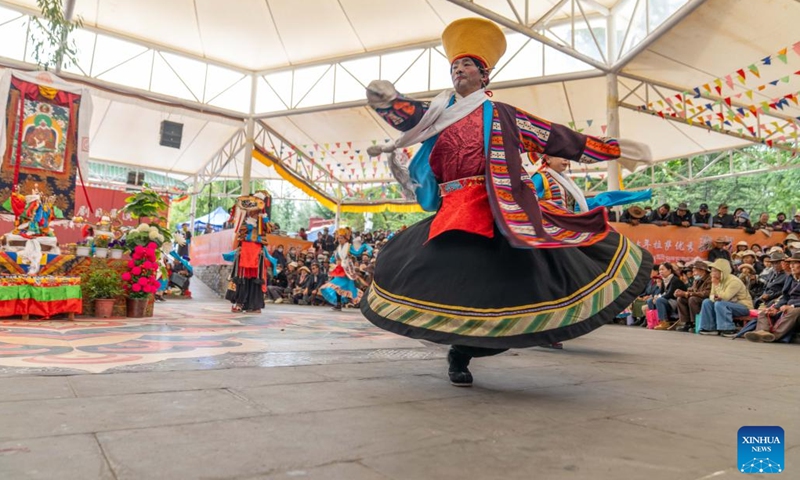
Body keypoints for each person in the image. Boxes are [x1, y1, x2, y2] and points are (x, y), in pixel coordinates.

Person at [360, 17, 653, 387]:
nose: (458, 70)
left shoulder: (503, 115)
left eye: (466, 64)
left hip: (499, 211)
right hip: (451, 212)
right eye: (454, 66)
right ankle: (459, 346)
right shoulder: (435, 116)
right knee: (436, 277)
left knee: (507, 288)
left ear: (484, 76)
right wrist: (387, 103)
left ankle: (464, 352)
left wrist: (609, 150)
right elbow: (409, 116)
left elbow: (555, 137)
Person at [531, 155, 651, 214]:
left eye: (568, 158)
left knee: (605, 198)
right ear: (548, 158)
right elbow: (527, 199)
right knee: (603, 199)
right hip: (552, 223)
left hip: (570, 217)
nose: (566, 160)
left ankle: (642, 195)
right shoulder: (540, 177)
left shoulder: (566, 181)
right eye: (562, 156)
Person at [224, 193, 275, 314]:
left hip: (257, 252)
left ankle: (254, 305)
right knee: (241, 276)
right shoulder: (245, 218)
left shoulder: (263, 219)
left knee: (255, 278)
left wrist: (264, 218)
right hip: (245, 251)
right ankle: (239, 303)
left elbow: (268, 230)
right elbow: (240, 234)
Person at [745, 252, 800, 343]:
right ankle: (763, 332)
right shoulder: (791, 278)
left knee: (793, 311)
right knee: (765, 312)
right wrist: (776, 307)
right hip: (788, 306)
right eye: (791, 263)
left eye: (795, 263)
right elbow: (785, 296)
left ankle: (774, 335)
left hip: (796, 308)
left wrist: (792, 306)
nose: (791, 266)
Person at [698, 258, 753, 337]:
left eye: (715, 271)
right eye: (712, 271)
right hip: (727, 304)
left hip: (743, 307)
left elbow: (725, 298)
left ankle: (728, 328)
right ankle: (709, 328)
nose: (712, 273)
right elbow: (711, 295)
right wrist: (714, 298)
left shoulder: (734, 281)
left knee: (720, 304)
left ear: (723, 271)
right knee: (707, 302)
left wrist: (716, 286)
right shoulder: (716, 280)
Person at [320, 227, 364, 311]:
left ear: (345, 238)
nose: (340, 239)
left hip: (347, 269)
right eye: (339, 238)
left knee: (346, 287)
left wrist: (363, 246)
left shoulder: (349, 246)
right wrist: (332, 260)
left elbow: (357, 253)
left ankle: (356, 301)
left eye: (341, 238)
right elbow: (334, 257)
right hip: (339, 269)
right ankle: (339, 304)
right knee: (338, 287)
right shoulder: (338, 248)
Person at [674, 261, 712, 332]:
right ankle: (687, 323)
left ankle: (695, 323)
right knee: (680, 299)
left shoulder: (709, 279)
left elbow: (706, 293)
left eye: (695, 271)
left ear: (702, 270)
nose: (693, 273)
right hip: (697, 297)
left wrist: (688, 294)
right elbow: (692, 289)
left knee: (692, 299)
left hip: (706, 300)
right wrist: (681, 292)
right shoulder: (697, 279)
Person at [653, 263, 687, 330]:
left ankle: (664, 322)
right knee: (650, 301)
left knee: (659, 300)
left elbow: (670, 294)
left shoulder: (675, 280)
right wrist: (656, 296)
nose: (661, 271)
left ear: (669, 270)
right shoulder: (664, 279)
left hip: (676, 300)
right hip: (668, 300)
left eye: (663, 269)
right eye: (660, 270)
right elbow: (661, 292)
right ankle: (654, 322)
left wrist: (659, 298)